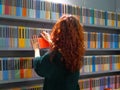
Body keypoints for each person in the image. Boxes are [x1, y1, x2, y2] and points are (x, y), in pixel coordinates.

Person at [31, 15, 86, 90]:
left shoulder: (54, 57)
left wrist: (36, 49)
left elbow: (39, 66)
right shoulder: (77, 55)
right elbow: (64, 51)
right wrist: (51, 41)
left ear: (59, 33)